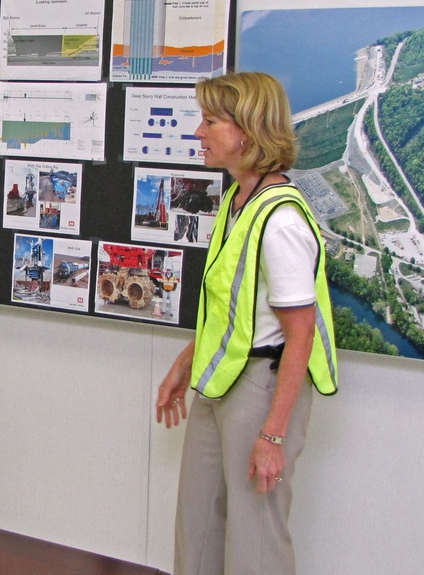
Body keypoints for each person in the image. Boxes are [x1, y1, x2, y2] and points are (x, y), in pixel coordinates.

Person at [155, 72, 337, 575]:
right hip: (221, 380)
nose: (199, 133)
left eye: (210, 121)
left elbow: (299, 335)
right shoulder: (238, 204)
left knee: (256, 536)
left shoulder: (280, 222)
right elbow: (229, 309)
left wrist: (273, 437)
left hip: (262, 387)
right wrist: (183, 365)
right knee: (198, 524)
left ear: (249, 131)